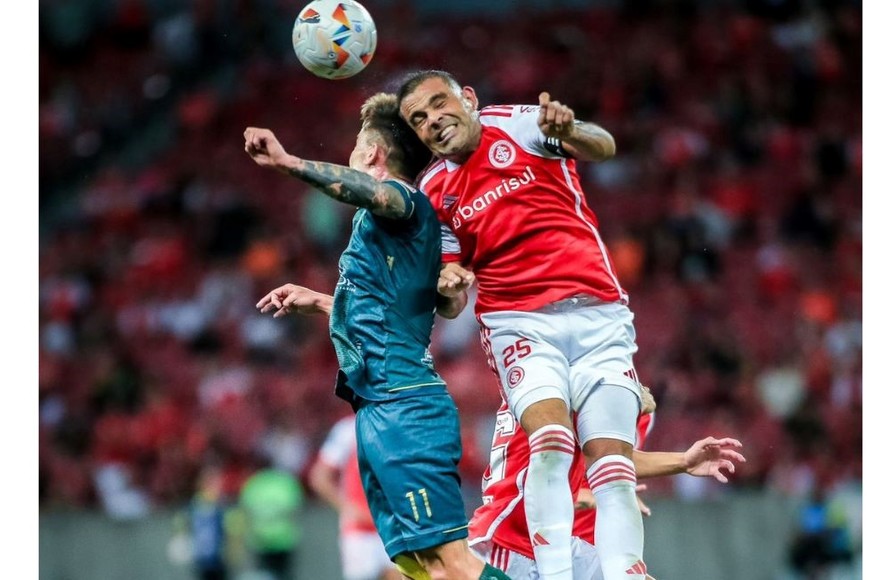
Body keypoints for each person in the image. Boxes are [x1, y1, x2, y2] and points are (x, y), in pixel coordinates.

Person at [246, 93, 510, 580]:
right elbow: (390, 314)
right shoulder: (389, 232)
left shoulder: (405, 203)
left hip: (404, 404)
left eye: (355, 146)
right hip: (378, 407)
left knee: (450, 562)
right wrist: (322, 302)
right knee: (419, 566)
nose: (351, 155)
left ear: (371, 153)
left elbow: (374, 192)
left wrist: (288, 163)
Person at [397, 70, 648, 579]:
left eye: (438, 104)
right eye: (418, 119)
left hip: (599, 312)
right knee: (550, 440)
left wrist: (571, 130)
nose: (432, 121)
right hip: (518, 322)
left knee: (612, 467)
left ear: (468, 98)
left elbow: (603, 146)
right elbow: (450, 301)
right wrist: (447, 284)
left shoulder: (518, 124)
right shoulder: (433, 193)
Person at [469, 400, 747, 579]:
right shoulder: (553, 393)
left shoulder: (552, 387)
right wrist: (593, 498)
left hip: (552, 542)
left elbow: (606, 456)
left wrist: (683, 461)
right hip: (508, 542)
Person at [309, 414, 403, 580]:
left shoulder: (396, 424)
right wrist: (347, 508)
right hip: (360, 532)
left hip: (394, 526)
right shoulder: (348, 430)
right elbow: (319, 477)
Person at [238, 465, 305, 580]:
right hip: (283, 538)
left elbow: (246, 509)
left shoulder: (254, 483)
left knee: (264, 574)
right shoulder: (285, 483)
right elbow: (295, 508)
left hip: (262, 538)